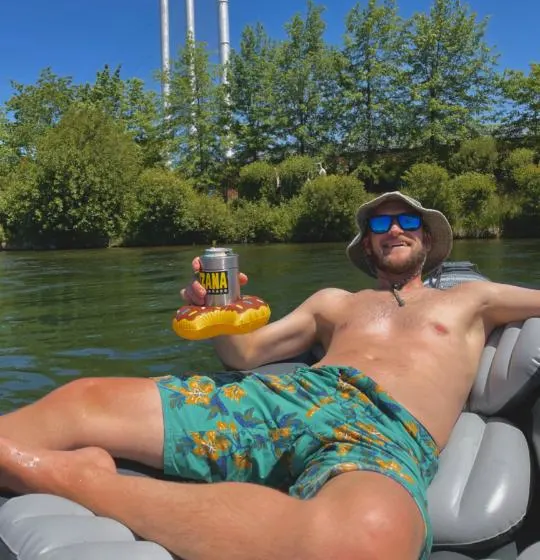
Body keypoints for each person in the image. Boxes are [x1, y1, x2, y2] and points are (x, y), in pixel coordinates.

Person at [0, 190, 539, 560]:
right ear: (368, 244)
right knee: (84, 398)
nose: (393, 228)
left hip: (383, 431)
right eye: (380, 223)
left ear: (427, 239)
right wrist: (217, 309)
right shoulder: (335, 301)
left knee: (369, 541)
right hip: (286, 396)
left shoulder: (473, 298)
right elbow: (243, 355)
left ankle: (81, 481)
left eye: (406, 222)